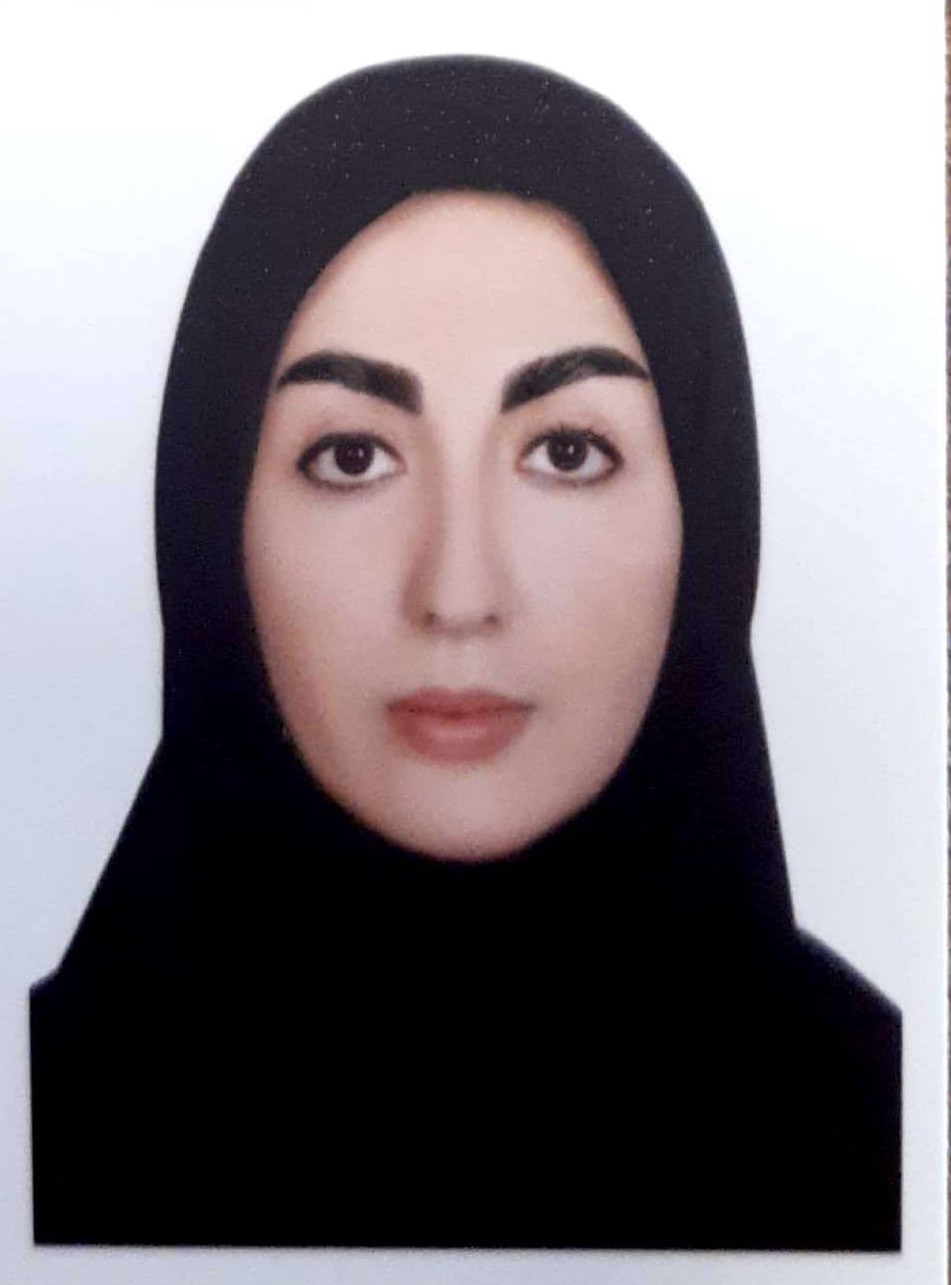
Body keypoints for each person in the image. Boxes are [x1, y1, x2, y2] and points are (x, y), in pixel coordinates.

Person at [29, 55, 900, 1250]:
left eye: (566, 452)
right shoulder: (33, 1129)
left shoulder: (894, 1127)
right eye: (351, 457)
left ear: (707, 516)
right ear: (212, 522)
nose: (457, 594)